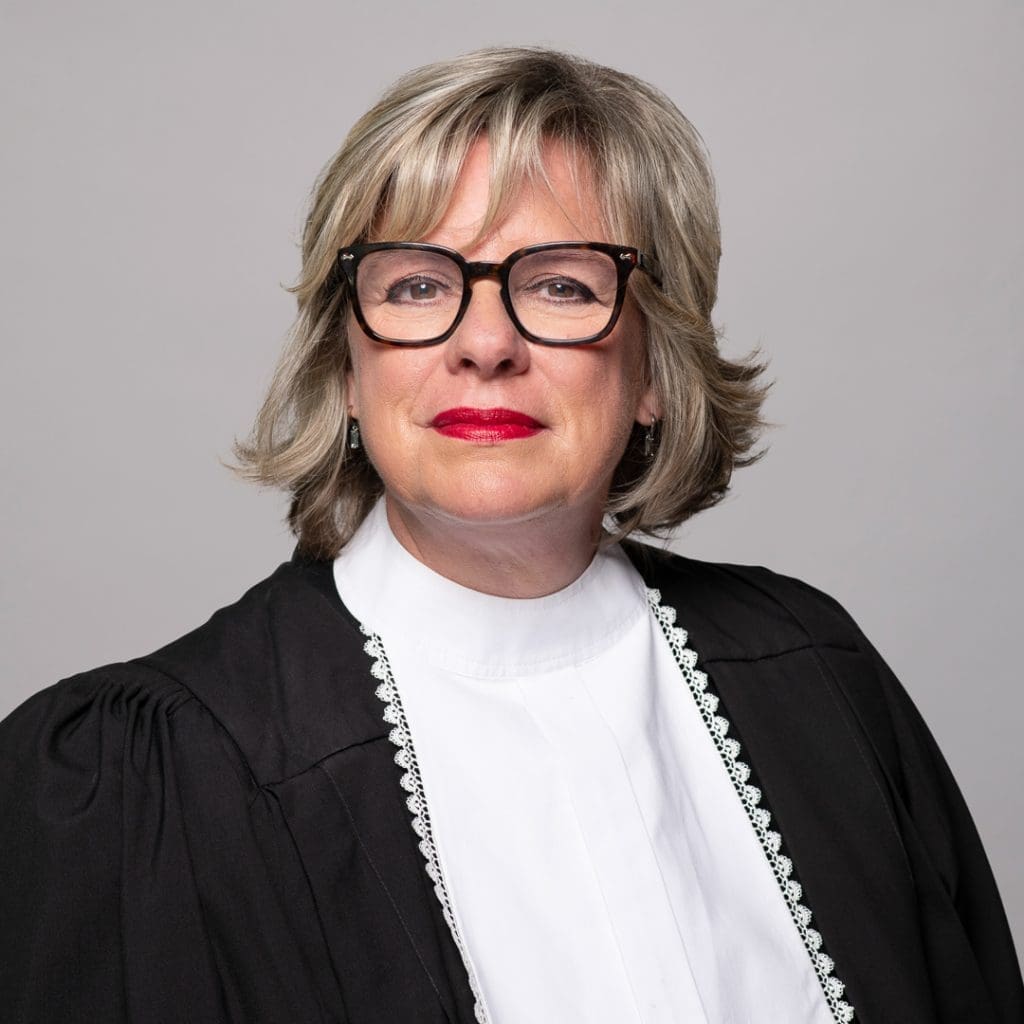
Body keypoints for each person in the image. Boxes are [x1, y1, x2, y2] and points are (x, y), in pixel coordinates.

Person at [0, 46, 1020, 1024]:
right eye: (416, 286)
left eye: (560, 285)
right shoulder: (147, 776)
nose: (484, 343)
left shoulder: (816, 678)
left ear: (656, 370)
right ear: (348, 368)